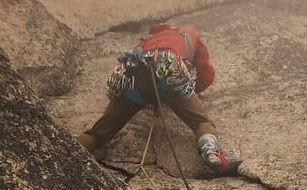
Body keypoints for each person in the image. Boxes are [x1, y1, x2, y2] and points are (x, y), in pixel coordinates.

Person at [76, 23, 240, 175]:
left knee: (99, 132)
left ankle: (70, 150)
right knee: (200, 122)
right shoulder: (188, 33)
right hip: (170, 71)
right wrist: (189, 95)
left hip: (134, 76)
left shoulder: (146, 41)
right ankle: (211, 154)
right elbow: (206, 74)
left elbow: (130, 68)